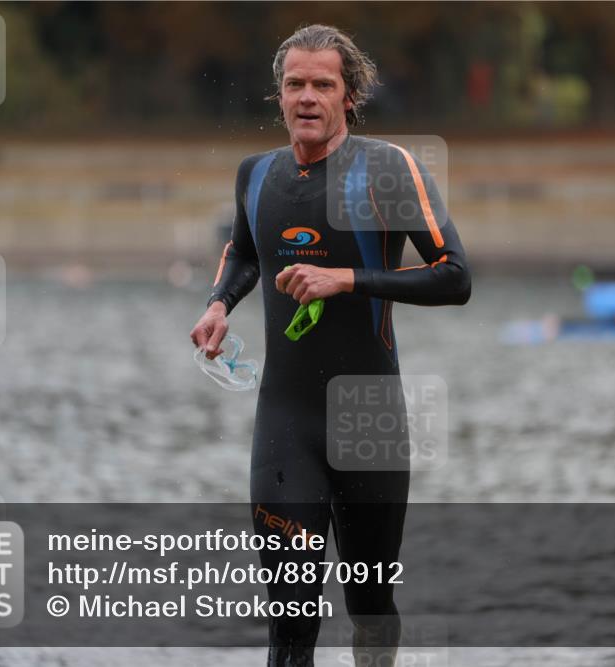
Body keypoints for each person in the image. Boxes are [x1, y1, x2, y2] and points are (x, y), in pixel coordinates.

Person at [190, 24, 470, 667]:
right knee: (289, 620)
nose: (307, 97)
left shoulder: (387, 169)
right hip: (286, 421)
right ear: (279, 96)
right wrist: (217, 306)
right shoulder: (256, 176)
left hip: (368, 421)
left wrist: (346, 279)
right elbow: (246, 252)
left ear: (349, 97)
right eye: (295, 84)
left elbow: (455, 276)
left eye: (324, 84)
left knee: (369, 606)